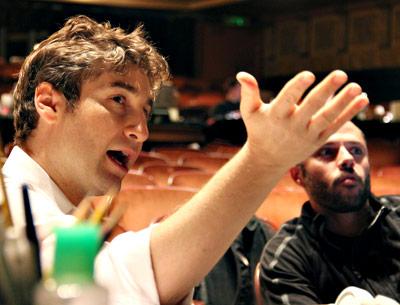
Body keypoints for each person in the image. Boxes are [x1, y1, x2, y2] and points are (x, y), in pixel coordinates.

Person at [2, 15, 368, 305]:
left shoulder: (51, 206)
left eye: (146, 113)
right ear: (49, 102)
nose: (141, 131)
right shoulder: (11, 210)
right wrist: (263, 160)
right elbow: (114, 283)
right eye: (118, 100)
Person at [259, 121, 400, 305]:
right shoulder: (286, 256)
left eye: (356, 151)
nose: (348, 159)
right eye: (327, 152)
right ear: (298, 175)